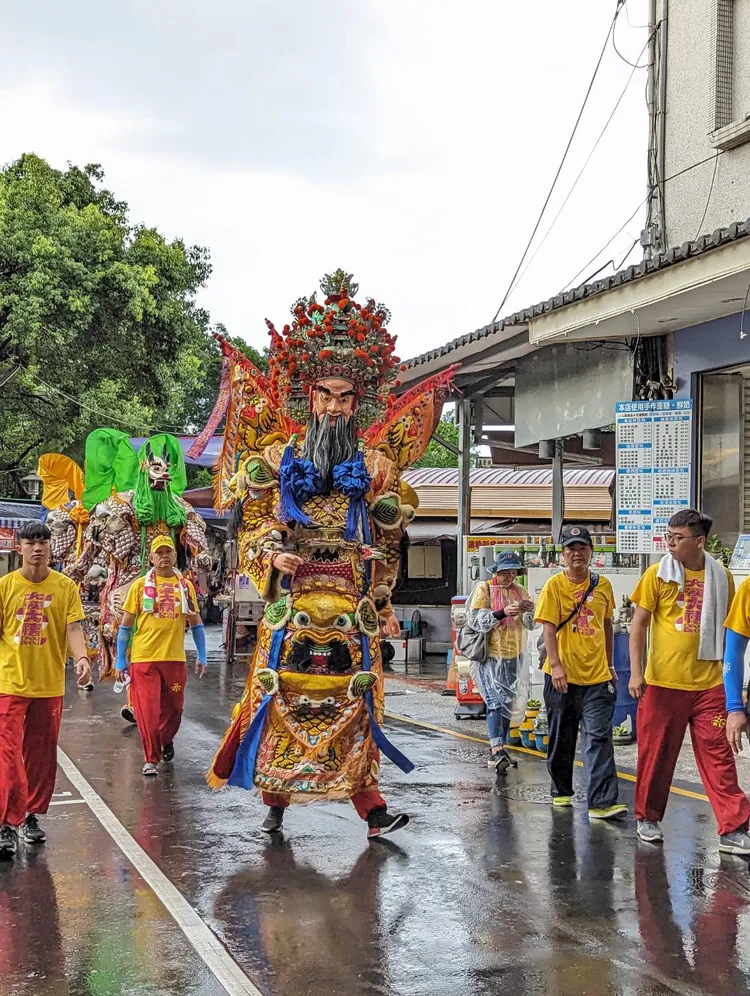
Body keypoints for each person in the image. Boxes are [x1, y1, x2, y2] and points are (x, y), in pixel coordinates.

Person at [199, 270, 455, 841]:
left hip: (347, 601)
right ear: (308, 397)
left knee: (356, 700)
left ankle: (372, 808)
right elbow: (254, 524)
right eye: (325, 395)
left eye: (345, 397)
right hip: (291, 601)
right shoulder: (276, 456)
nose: (334, 407)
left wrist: (380, 593)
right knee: (279, 692)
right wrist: (271, 554)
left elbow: (389, 543)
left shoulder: (377, 465)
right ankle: (275, 800)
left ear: (356, 403)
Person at [629, 509, 750, 853]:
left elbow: (730, 631)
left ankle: (733, 827)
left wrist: (734, 693)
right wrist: (636, 673)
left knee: (719, 755)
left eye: (676, 537)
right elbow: (639, 624)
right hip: (663, 683)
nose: (669, 543)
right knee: (657, 755)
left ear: (699, 542)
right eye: (667, 536)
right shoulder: (657, 575)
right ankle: (648, 817)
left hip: (709, 682)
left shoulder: (722, 576)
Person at [0, 521, 92, 857]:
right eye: (30, 542)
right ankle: (6, 824)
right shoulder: (5, 587)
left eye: (43, 542)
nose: (37, 548)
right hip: (9, 683)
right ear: (20, 548)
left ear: (51, 548)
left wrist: (81, 658)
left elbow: (73, 627)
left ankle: (31, 816)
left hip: (48, 685)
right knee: (7, 756)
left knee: (40, 756)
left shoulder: (65, 587)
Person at [535, 525, 626, 820]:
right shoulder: (554, 587)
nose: (577, 553)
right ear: (563, 554)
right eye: (571, 548)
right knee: (563, 736)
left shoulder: (603, 586)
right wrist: (557, 665)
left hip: (598, 678)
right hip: (562, 677)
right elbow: (548, 627)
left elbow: (607, 625)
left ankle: (601, 802)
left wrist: (611, 666)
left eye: (582, 548)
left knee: (599, 738)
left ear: (591, 552)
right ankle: (561, 790)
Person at [115, 535, 207, 776]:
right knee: (146, 711)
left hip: (174, 659)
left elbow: (196, 623)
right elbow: (125, 626)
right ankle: (151, 759)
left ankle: (166, 740)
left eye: (168, 552)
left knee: (174, 711)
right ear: (152, 558)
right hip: (144, 659)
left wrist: (202, 655)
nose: (164, 556)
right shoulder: (138, 586)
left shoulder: (185, 586)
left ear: (175, 556)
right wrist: (121, 660)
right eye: (159, 553)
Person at [466, 550, 533, 773]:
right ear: (497, 571)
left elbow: (531, 624)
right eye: (506, 573)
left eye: (514, 573)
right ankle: (497, 750)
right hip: (490, 656)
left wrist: (529, 610)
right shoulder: (483, 589)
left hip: (513, 655)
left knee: (507, 704)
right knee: (494, 701)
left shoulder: (520, 591)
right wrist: (502, 612)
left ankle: (499, 748)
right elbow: (476, 620)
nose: (510, 578)